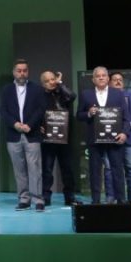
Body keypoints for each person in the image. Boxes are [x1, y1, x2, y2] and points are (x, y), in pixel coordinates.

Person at [76, 66, 131, 205]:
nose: (101, 77)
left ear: (108, 78)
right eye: (98, 76)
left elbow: (126, 116)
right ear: (93, 79)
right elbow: (79, 115)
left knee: (117, 169)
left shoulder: (118, 94)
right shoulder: (85, 94)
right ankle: (95, 201)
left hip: (115, 138)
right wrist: (88, 113)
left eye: (103, 75)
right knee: (95, 170)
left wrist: (124, 133)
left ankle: (121, 200)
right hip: (94, 139)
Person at [0, 59, 46, 211]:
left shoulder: (37, 89)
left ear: (28, 72)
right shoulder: (6, 90)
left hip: (32, 134)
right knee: (19, 170)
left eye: (24, 70)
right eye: (19, 70)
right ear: (14, 72)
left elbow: (40, 110)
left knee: (35, 168)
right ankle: (24, 199)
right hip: (13, 135)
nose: (22, 73)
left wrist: (29, 125)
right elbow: (3, 111)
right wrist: (15, 124)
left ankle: (38, 200)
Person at [39, 70, 79, 207]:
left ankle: (70, 197)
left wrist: (60, 83)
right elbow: (36, 114)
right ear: (43, 84)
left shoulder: (63, 93)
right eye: (48, 80)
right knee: (47, 170)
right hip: (48, 139)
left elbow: (73, 96)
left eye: (53, 79)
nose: (51, 82)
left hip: (65, 138)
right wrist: (39, 126)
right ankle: (45, 197)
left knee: (67, 169)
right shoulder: (39, 96)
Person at [106, 71, 131, 205]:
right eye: (115, 79)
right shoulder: (104, 97)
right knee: (110, 169)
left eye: (120, 80)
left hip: (129, 137)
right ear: (109, 82)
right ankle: (111, 197)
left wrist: (130, 124)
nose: (118, 82)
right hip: (109, 138)